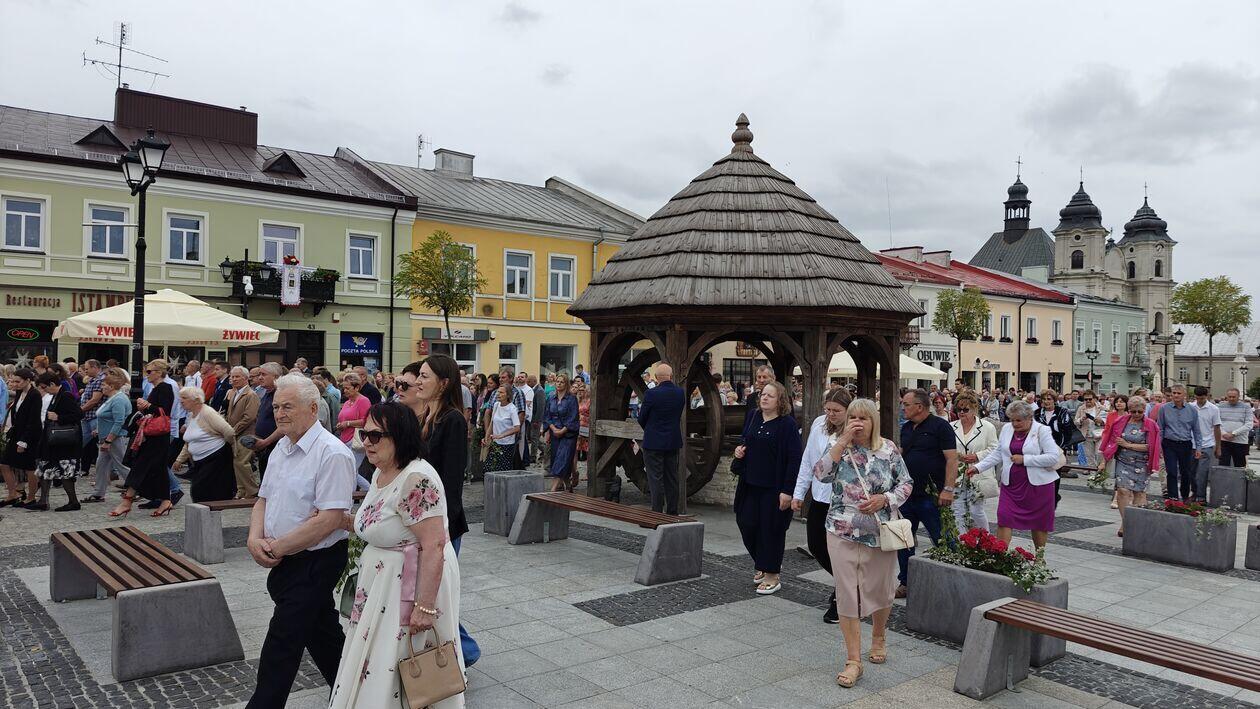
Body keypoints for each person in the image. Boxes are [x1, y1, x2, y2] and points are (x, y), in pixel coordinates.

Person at [329, 403, 465, 707]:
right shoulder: (382, 471)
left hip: (409, 588)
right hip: (382, 586)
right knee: (378, 660)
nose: (366, 442)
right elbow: (384, 522)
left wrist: (425, 608)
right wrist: (342, 521)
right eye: (364, 434)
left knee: (403, 660)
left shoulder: (417, 478)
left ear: (400, 436)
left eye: (375, 436)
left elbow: (434, 544)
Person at [244, 374, 355, 708]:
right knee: (323, 635)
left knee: (282, 642)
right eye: (277, 407)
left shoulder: (332, 453)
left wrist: (275, 547)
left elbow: (330, 519)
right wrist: (254, 539)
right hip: (286, 559)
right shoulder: (282, 446)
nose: (279, 413)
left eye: (288, 407)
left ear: (312, 408)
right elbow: (263, 499)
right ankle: (356, 693)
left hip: (316, 561)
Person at [813, 398, 912, 688]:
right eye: (852, 417)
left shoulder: (888, 449)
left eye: (863, 418)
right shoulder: (838, 446)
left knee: (882, 589)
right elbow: (821, 474)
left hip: (879, 531)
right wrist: (842, 440)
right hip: (841, 529)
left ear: (873, 422)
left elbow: (906, 483)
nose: (857, 422)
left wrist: (885, 499)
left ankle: (878, 635)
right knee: (846, 592)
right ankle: (853, 660)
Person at [395, 356, 479, 667]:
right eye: (418, 376)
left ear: (443, 383)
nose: (417, 381)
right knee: (433, 593)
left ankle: (465, 652)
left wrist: (440, 528)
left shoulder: (452, 419)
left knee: (437, 595)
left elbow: (451, 482)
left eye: (424, 376)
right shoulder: (426, 416)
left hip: (442, 525)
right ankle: (459, 650)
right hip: (424, 520)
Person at [732, 381, 803, 596]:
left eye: (770, 396)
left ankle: (772, 574)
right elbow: (746, 440)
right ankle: (764, 562)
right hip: (750, 483)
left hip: (774, 487)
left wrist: (788, 490)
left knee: (771, 530)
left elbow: (794, 459)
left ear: (780, 401)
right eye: (763, 394)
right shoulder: (753, 416)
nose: (764, 398)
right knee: (746, 523)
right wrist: (739, 451)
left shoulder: (787, 424)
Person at [791, 386, 851, 624]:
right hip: (820, 496)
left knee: (842, 551)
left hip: (844, 500)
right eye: (828, 409)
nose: (831, 414)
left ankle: (842, 595)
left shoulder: (854, 429)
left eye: (836, 411)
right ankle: (848, 584)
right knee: (816, 545)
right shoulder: (818, 424)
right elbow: (808, 460)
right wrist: (799, 492)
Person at [968, 400, 1060, 552]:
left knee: (1038, 524)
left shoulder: (1042, 430)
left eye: (1018, 420)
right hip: (1011, 485)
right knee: (1004, 518)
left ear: (1029, 418)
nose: (1014, 424)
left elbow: (1053, 457)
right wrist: (978, 467)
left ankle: (1039, 558)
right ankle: (999, 556)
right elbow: (998, 453)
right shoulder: (1007, 429)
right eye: (1012, 420)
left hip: (1038, 486)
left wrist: (1025, 459)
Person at [895, 389, 957, 596]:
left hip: (932, 495)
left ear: (919, 407)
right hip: (906, 495)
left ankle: (954, 579)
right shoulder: (906, 428)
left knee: (943, 539)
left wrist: (948, 489)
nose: (903, 408)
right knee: (904, 540)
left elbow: (952, 459)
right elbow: (903, 454)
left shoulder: (941, 426)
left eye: (906, 404)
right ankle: (906, 581)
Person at [109, 360, 176, 518]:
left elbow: (164, 411)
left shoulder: (165, 387)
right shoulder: (156, 388)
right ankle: (166, 500)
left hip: (158, 436)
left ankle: (127, 501)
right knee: (158, 469)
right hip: (153, 435)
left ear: (159, 372)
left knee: (141, 466)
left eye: (149, 371)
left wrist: (147, 405)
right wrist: (145, 407)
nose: (147, 375)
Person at [1099, 395, 1161, 537]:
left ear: (1144, 410)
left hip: (1142, 463)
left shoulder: (1150, 424)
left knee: (1138, 493)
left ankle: (1133, 522)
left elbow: (1151, 446)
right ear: (1129, 409)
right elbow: (1111, 440)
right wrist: (1104, 460)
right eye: (1133, 411)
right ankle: (1126, 521)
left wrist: (1128, 445)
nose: (1137, 414)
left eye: (1140, 412)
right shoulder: (1121, 421)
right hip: (1123, 461)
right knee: (1122, 490)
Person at [28, 372, 84, 511]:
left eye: (44, 387)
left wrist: (58, 417)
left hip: (64, 442)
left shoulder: (65, 396)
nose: (44, 390)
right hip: (53, 440)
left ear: (52, 384)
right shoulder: (56, 396)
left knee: (65, 471)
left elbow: (78, 414)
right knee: (46, 468)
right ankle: (43, 500)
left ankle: (73, 501)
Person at [171, 387, 237, 502]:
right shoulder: (192, 415)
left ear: (196, 400)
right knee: (199, 491)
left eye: (184, 398)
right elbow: (189, 440)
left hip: (215, 458)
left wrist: (229, 449)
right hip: (199, 461)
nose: (181, 401)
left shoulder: (207, 413)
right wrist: (179, 460)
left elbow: (229, 432)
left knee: (201, 490)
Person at [637, 363, 686, 515]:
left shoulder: (651, 394)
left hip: (653, 441)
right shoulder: (680, 393)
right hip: (672, 440)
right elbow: (678, 414)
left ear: (656, 377)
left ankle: (657, 513)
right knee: (672, 478)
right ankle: (672, 511)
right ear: (671, 376)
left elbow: (641, 418)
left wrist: (651, 429)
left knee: (655, 478)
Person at [949, 391, 998, 532]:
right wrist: (958, 455)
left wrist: (977, 456)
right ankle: (962, 540)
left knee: (976, 510)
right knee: (957, 510)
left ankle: (985, 539)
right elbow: (946, 448)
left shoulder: (987, 427)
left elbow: (995, 449)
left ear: (974, 409)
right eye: (958, 409)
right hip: (957, 474)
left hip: (978, 474)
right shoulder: (951, 427)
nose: (961, 412)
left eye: (965, 409)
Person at [88, 369, 132, 503]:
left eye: (103, 385)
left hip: (113, 439)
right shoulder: (112, 398)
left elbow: (119, 421)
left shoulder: (118, 399)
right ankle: (98, 493)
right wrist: (98, 429)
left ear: (111, 386)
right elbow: (107, 417)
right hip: (106, 438)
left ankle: (138, 488)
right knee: (101, 465)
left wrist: (108, 440)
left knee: (121, 465)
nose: (101, 387)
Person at [2, 369, 42, 507]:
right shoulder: (20, 392)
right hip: (17, 432)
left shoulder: (34, 395)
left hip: (30, 435)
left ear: (28, 380)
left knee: (29, 467)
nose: (15, 384)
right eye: (13, 381)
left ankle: (31, 497)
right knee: (4, 463)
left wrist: (24, 441)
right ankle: (13, 494)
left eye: (18, 381)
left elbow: (34, 420)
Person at [1156, 385, 1202, 501]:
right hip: (1169, 443)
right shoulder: (1164, 409)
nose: (1176, 395)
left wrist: (1198, 447)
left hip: (1185, 444)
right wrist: (1159, 446)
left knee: (1185, 472)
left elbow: (1196, 430)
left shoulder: (1192, 410)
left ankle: (1185, 496)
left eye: (1178, 393)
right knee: (1171, 471)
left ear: (1184, 395)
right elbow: (1160, 428)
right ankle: (1173, 498)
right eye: (1174, 393)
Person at [224, 366, 261, 499]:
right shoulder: (234, 393)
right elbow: (229, 414)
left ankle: (252, 490)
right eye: (232, 376)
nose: (234, 379)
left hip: (246, 434)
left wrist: (233, 430)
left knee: (242, 462)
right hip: (236, 433)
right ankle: (241, 490)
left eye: (237, 376)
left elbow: (249, 417)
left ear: (246, 378)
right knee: (236, 462)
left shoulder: (251, 395)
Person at [243, 362, 283, 481]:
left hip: (275, 447)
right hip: (264, 448)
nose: (260, 377)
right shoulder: (266, 393)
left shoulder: (280, 396)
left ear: (275, 377)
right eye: (259, 374)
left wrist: (265, 442)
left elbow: (284, 426)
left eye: (264, 374)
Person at [542, 373, 580, 493]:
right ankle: (568, 485)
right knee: (558, 459)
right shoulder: (551, 397)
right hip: (555, 433)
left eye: (562, 382)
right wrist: (553, 429)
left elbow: (573, 416)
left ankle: (553, 489)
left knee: (562, 459)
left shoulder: (571, 398)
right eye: (557, 381)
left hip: (568, 434)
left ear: (566, 384)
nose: (559, 384)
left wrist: (563, 430)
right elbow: (547, 415)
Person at [1035, 389, 1080, 482]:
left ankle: (1054, 492)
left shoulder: (1062, 412)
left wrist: (1061, 447)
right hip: (1040, 448)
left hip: (1058, 448)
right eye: (1044, 399)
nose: (1046, 401)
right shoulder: (1037, 413)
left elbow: (1068, 431)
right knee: (1041, 476)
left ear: (1054, 400)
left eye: (1049, 399)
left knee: (1055, 476)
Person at [1189, 386, 1222, 504]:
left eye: (1202, 398)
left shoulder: (1214, 409)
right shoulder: (1190, 407)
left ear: (1207, 396)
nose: (1200, 401)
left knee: (1202, 472)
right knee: (1191, 472)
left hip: (1206, 444)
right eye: (1197, 398)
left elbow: (1217, 428)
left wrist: (1218, 447)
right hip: (1191, 444)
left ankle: (1201, 497)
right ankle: (1194, 493)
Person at [336, 372, 372, 472]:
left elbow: (366, 421)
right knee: (348, 471)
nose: (345, 391)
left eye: (348, 388)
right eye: (344, 388)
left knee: (350, 471)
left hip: (355, 440)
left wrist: (348, 423)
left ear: (357, 388)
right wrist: (340, 424)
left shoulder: (363, 401)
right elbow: (343, 418)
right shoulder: (347, 402)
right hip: (344, 439)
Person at [482, 383, 521, 473]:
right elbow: (492, 422)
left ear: (508, 395)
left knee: (503, 470)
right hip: (495, 443)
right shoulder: (496, 405)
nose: (498, 394)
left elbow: (517, 428)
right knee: (488, 469)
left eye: (501, 392)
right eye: (498, 392)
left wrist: (501, 435)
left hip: (506, 444)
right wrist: (486, 437)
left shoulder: (512, 409)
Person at [1217, 388, 1253, 467]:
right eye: (1229, 397)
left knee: (1240, 466)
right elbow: (1217, 423)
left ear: (1238, 396)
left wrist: (1234, 433)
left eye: (1234, 397)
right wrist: (1224, 433)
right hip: (1224, 440)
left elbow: (1249, 424)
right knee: (1223, 466)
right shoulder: (1220, 406)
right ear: (1227, 396)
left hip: (1240, 441)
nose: (1231, 399)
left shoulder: (1246, 407)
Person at [1074, 391, 1105, 467]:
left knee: (1099, 453)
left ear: (1094, 399)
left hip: (1099, 434)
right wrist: (1081, 419)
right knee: (1089, 456)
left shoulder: (1101, 407)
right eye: (1086, 399)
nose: (1088, 401)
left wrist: (1101, 421)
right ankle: (1092, 472)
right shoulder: (1081, 408)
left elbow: (1107, 420)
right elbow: (1075, 421)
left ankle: (1099, 470)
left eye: (1090, 399)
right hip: (1086, 435)